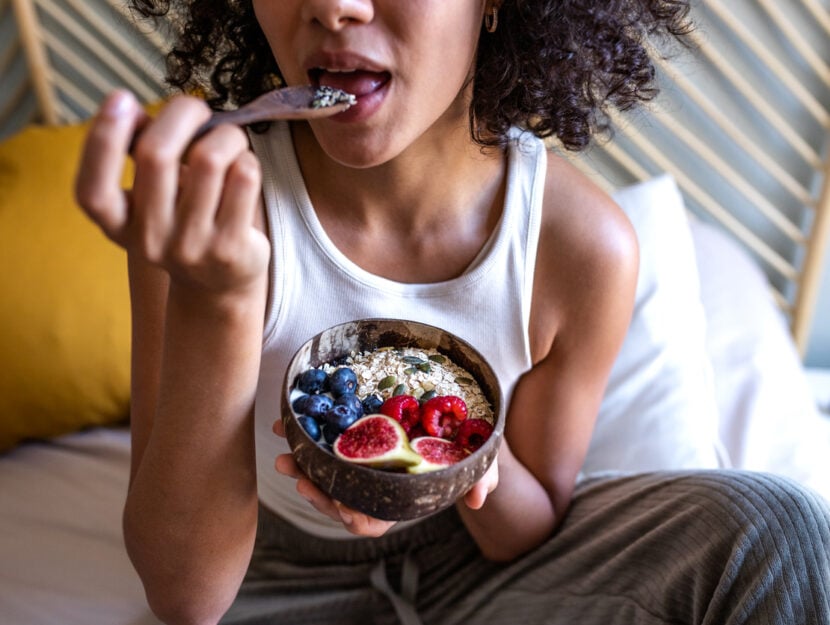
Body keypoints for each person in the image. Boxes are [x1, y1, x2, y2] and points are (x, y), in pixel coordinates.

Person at [74, 1, 830, 624]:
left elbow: (522, 536)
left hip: (486, 573)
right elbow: (184, 596)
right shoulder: (206, 211)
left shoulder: (576, 247)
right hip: (269, 573)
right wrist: (223, 299)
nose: (336, 7)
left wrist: (446, 447)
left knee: (780, 532)